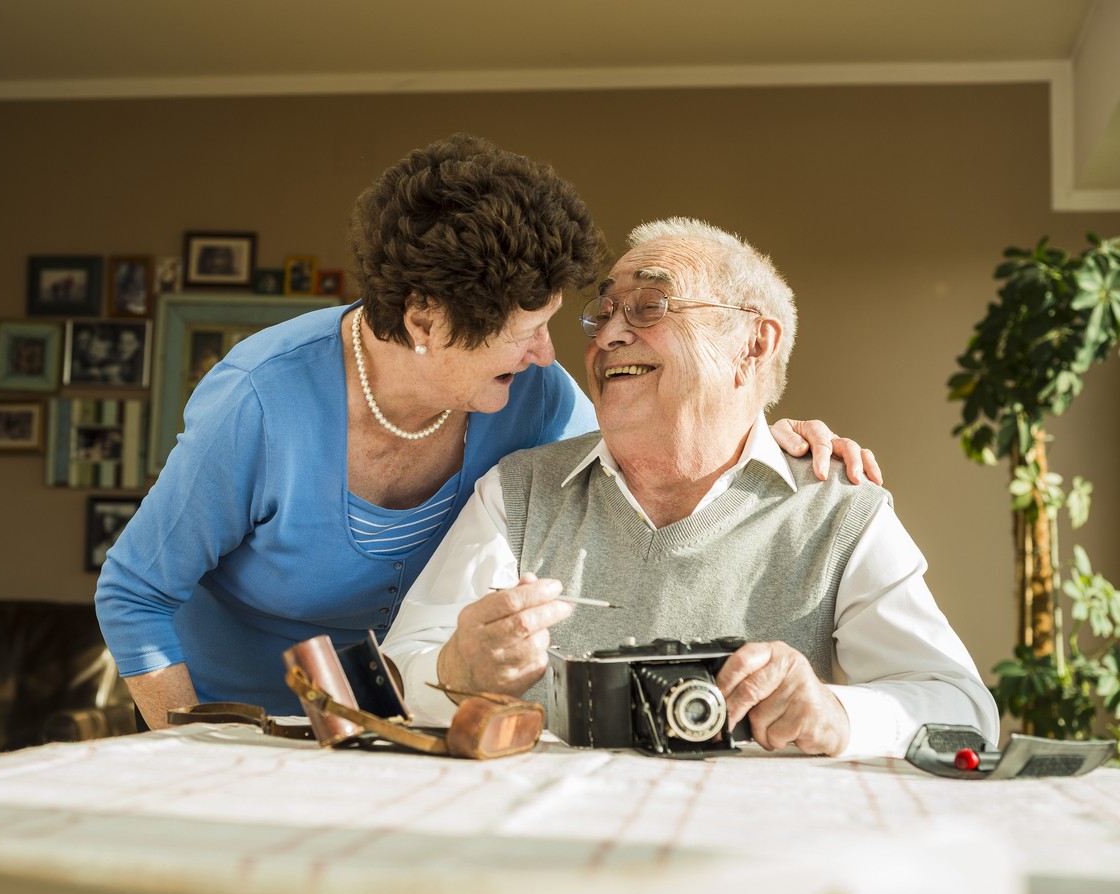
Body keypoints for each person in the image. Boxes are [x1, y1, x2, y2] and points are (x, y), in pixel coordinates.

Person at [95, 137, 876, 728]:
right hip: (233, 714)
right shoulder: (261, 401)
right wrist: (190, 744)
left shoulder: (530, 396)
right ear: (426, 319)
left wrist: (766, 433)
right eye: (524, 330)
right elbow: (134, 594)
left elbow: (649, 438)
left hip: (396, 721)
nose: (549, 351)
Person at [382, 217, 995, 759]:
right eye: (602, 313)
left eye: (650, 305)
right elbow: (398, 674)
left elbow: (963, 709)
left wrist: (835, 714)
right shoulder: (519, 490)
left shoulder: (839, 509)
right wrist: (457, 669)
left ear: (754, 344)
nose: (607, 335)